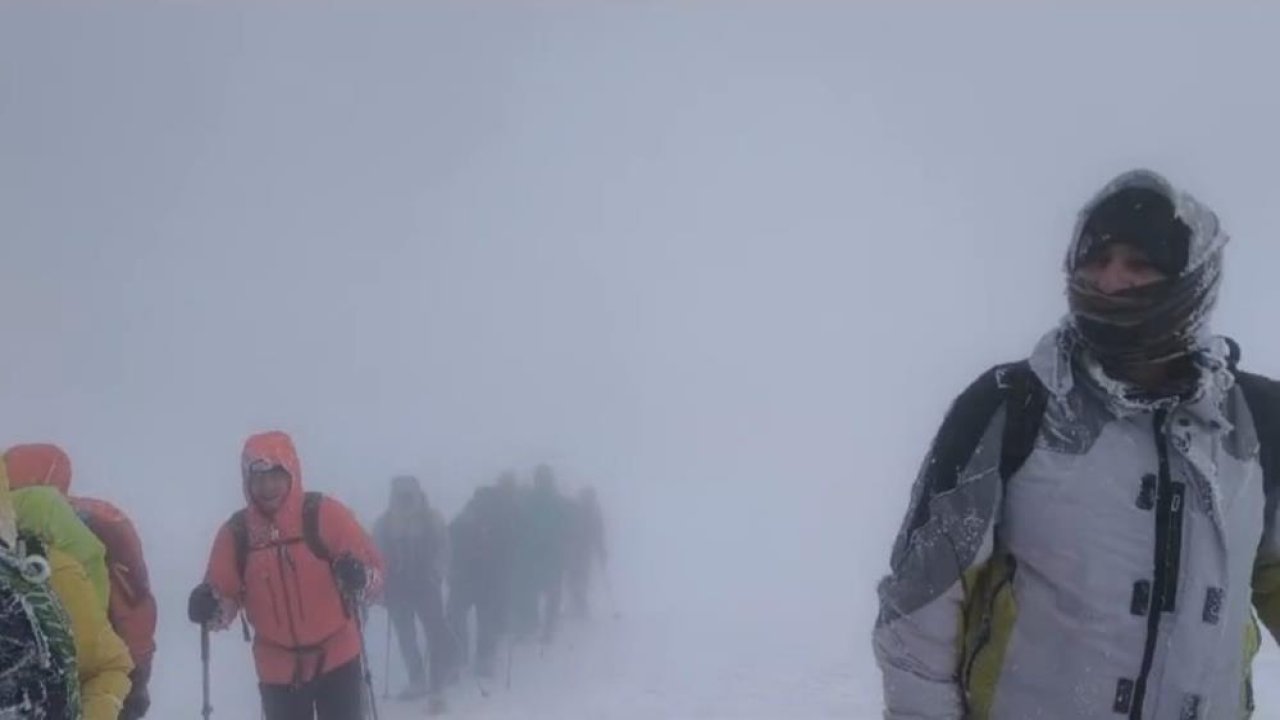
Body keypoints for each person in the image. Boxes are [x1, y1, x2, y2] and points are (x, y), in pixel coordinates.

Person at [874, 169, 1280, 719]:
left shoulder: (1257, 421)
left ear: (1194, 277)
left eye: (1140, 264)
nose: (1110, 281)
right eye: (1095, 259)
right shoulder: (1012, 406)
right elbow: (920, 606)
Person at [187, 430, 383, 720]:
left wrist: (361, 577)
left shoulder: (324, 514)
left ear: (293, 472)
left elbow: (375, 576)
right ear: (247, 481)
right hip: (278, 669)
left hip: (339, 656)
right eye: (259, 478)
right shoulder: (237, 534)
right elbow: (224, 598)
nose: (268, 486)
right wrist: (209, 606)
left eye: (276, 475)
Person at [5, 443, 158, 719]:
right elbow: (133, 603)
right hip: (109, 672)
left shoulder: (55, 555)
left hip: (97, 672)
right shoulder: (89, 531)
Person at [372, 475, 451, 710]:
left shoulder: (431, 519)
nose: (404, 500)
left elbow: (445, 548)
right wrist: (380, 587)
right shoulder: (384, 524)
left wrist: (437, 574)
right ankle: (418, 680)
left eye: (408, 495)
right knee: (406, 636)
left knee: (434, 634)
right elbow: (376, 557)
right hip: (399, 589)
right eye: (400, 495)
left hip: (426, 586)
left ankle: (437, 687)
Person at [446, 484, 512, 679]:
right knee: (482, 621)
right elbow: (507, 551)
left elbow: (449, 544)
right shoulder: (497, 521)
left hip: (468, 579)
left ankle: (462, 658)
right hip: (480, 580)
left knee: (462, 619)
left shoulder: (464, 520)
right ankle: (479, 660)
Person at [564, 485, 607, 620]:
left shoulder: (577, 510)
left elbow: (597, 533)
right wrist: (601, 551)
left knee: (575, 579)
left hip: (575, 550)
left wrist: (601, 550)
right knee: (579, 579)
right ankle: (579, 608)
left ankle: (578, 607)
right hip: (582, 550)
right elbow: (598, 534)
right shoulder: (593, 512)